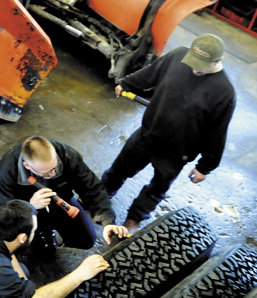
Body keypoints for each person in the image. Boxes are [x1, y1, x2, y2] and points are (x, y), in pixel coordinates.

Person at [101, 33, 236, 233]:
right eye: (193, 61)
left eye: (201, 65)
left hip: (177, 152)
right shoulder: (178, 55)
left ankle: (134, 219)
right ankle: (100, 197)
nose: (194, 68)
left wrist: (205, 167)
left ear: (219, 60)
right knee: (119, 169)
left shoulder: (225, 92)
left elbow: (217, 133)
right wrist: (127, 83)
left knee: (156, 189)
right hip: (148, 133)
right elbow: (152, 72)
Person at [0, 137, 128, 254]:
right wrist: (29, 206)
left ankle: (54, 234)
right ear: (27, 166)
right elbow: (3, 213)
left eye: (54, 168)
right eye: (46, 173)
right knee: (37, 251)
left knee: (86, 240)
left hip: (61, 200)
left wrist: (107, 221)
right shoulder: (6, 172)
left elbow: (92, 188)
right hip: (29, 212)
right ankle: (42, 233)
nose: (52, 175)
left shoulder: (67, 155)